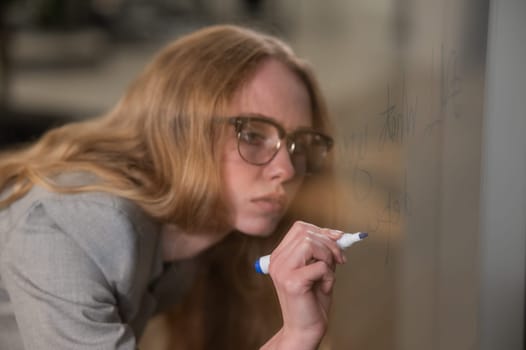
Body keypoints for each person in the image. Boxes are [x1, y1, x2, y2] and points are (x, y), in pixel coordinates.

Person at [0, 24, 344, 350]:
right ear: (180, 130)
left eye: (301, 144)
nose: (286, 169)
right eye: (252, 134)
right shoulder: (74, 225)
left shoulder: (197, 246)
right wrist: (296, 338)